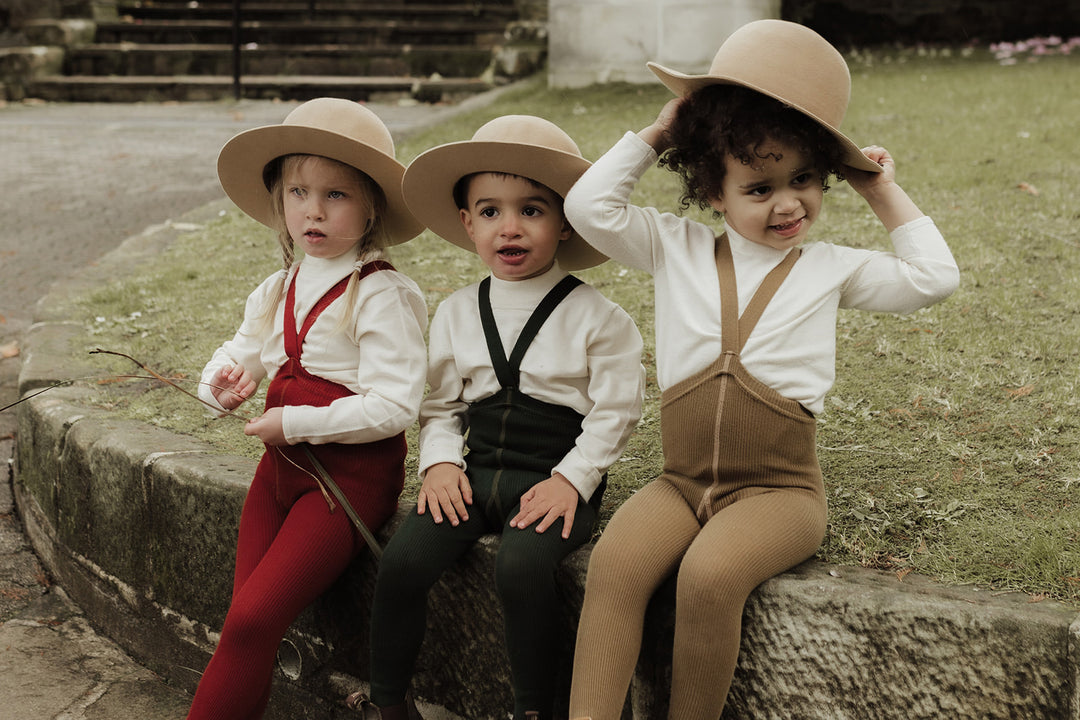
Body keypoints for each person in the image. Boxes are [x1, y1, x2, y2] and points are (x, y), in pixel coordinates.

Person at [563, 20, 960, 720]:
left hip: (779, 494)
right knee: (615, 567)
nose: (787, 204)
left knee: (709, 577)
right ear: (713, 190)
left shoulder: (830, 268)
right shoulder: (673, 247)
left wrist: (877, 190)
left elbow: (935, 278)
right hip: (681, 482)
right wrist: (658, 133)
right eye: (759, 187)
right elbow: (588, 208)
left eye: (804, 179)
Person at [351, 116, 645, 720]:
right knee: (403, 564)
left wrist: (574, 479)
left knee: (520, 567)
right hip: (477, 473)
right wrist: (437, 464)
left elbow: (617, 411)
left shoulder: (599, 317)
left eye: (532, 210)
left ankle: (533, 708)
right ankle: (389, 701)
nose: (509, 228)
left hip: (555, 478)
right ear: (467, 223)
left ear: (565, 221)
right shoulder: (459, 311)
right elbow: (440, 406)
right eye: (489, 211)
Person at [186, 97, 428, 720]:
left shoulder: (379, 293)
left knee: (252, 619)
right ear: (279, 201)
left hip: (345, 483)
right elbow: (236, 357)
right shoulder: (278, 287)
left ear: (372, 205)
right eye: (298, 192)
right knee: (245, 623)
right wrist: (222, 387)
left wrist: (293, 423)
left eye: (336, 196)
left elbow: (396, 404)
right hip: (280, 476)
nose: (313, 210)